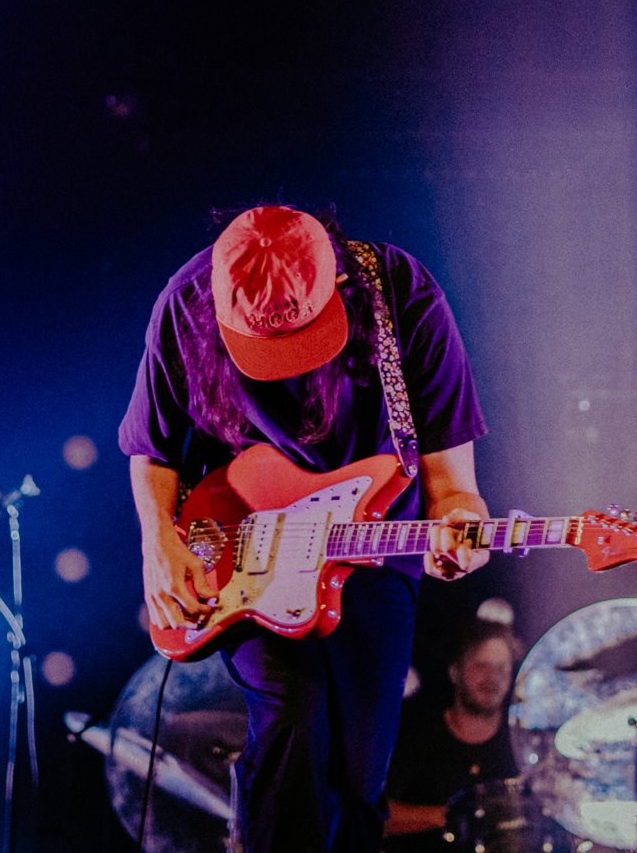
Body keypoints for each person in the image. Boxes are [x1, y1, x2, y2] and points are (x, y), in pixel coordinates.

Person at [122, 205, 492, 853]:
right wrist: (160, 542)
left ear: (339, 283)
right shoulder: (186, 303)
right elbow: (152, 446)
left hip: (372, 545)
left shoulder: (402, 294)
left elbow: (453, 487)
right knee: (291, 713)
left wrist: (461, 528)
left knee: (359, 773)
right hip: (244, 541)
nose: (286, 368)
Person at [383, 617, 522, 853]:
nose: (493, 677)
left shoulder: (523, 743)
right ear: (455, 672)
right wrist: (453, 814)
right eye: (481, 666)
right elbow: (375, 816)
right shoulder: (417, 734)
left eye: (502, 669)